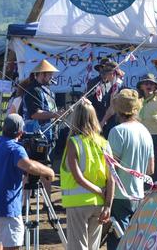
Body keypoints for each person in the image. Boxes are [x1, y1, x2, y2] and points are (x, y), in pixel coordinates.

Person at [0, 114, 55, 250]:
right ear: (21, 132)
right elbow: (28, 166)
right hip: (8, 209)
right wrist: (48, 171)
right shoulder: (15, 149)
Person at [61, 100, 114, 250]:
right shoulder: (104, 143)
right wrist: (108, 204)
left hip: (77, 203)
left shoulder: (73, 142)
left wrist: (98, 191)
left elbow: (77, 177)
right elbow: (112, 178)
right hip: (98, 203)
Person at [106, 89, 154, 250]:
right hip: (138, 194)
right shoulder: (145, 131)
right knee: (134, 241)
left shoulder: (117, 131)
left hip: (119, 195)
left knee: (118, 241)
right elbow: (151, 169)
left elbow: (111, 168)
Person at [20, 59, 65, 189]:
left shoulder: (48, 91)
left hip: (48, 136)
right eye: (49, 74)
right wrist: (55, 115)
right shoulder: (33, 90)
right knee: (31, 168)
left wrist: (58, 115)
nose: (51, 77)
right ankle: (24, 202)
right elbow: (34, 114)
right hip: (35, 136)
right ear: (41, 75)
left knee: (46, 167)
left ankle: (47, 201)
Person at [86, 58, 124, 137]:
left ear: (112, 74)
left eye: (106, 73)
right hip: (108, 120)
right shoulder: (116, 85)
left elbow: (112, 109)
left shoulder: (116, 86)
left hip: (114, 123)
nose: (105, 76)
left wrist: (102, 122)